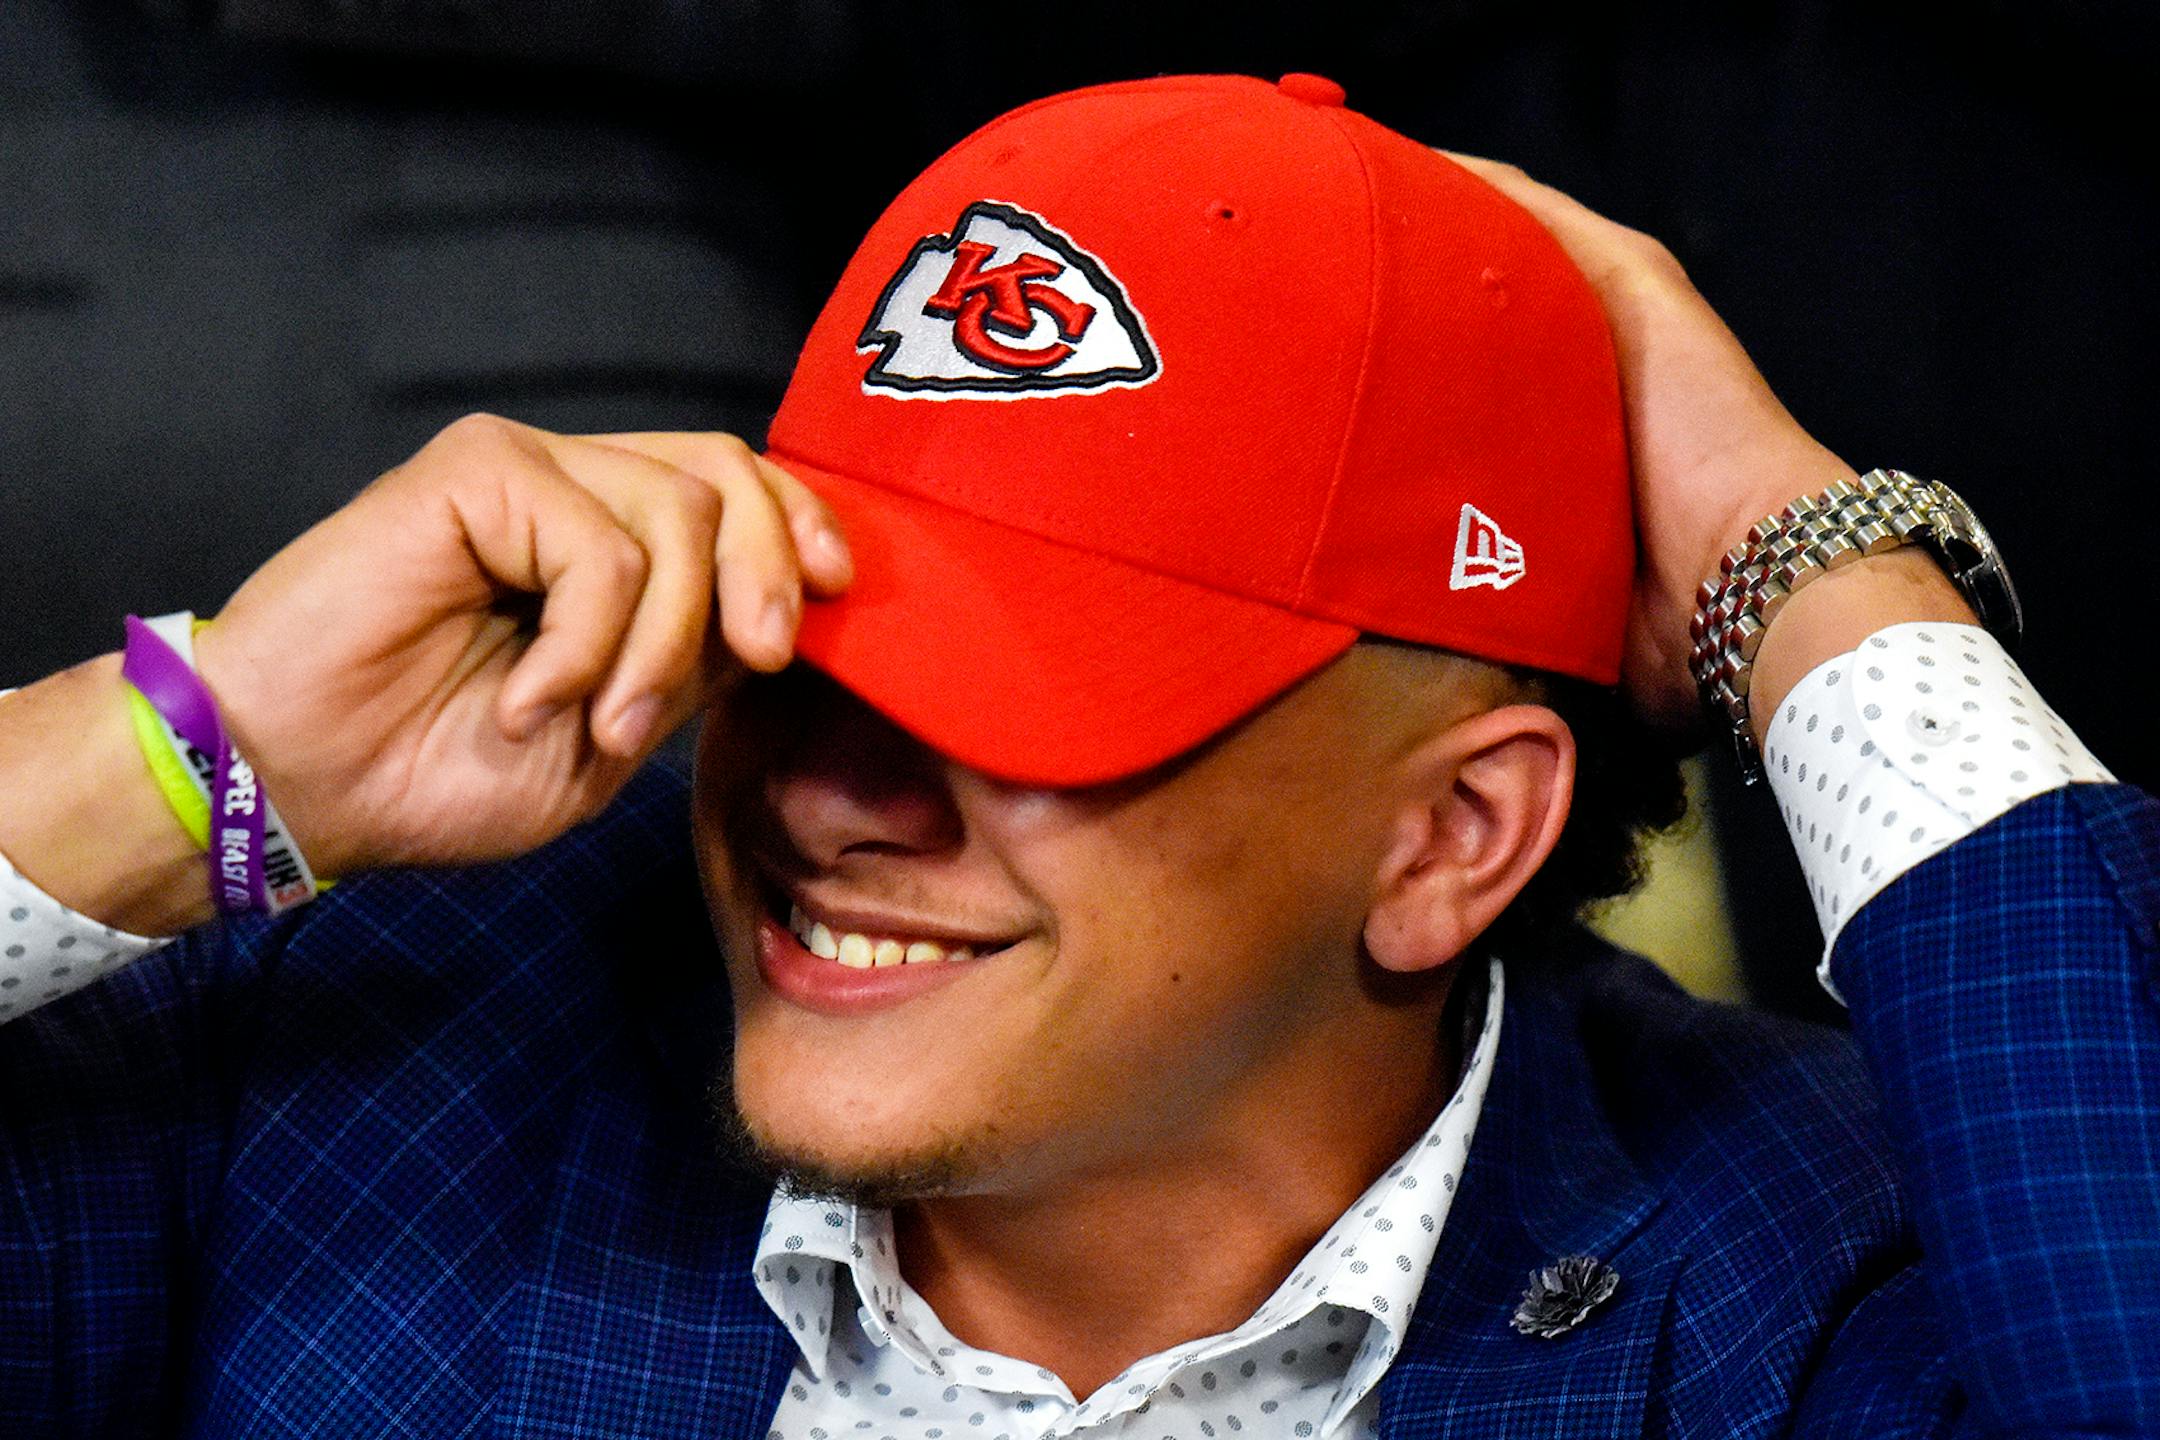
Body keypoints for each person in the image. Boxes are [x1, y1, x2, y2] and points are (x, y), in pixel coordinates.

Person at [1, 72, 2153, 1438]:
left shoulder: (1830, 1252)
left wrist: (1807, 563)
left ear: (1454, 835)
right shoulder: (403, 1047)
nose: (830, 796)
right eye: (808, 634)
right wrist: (182, 748)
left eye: (1026, 703)